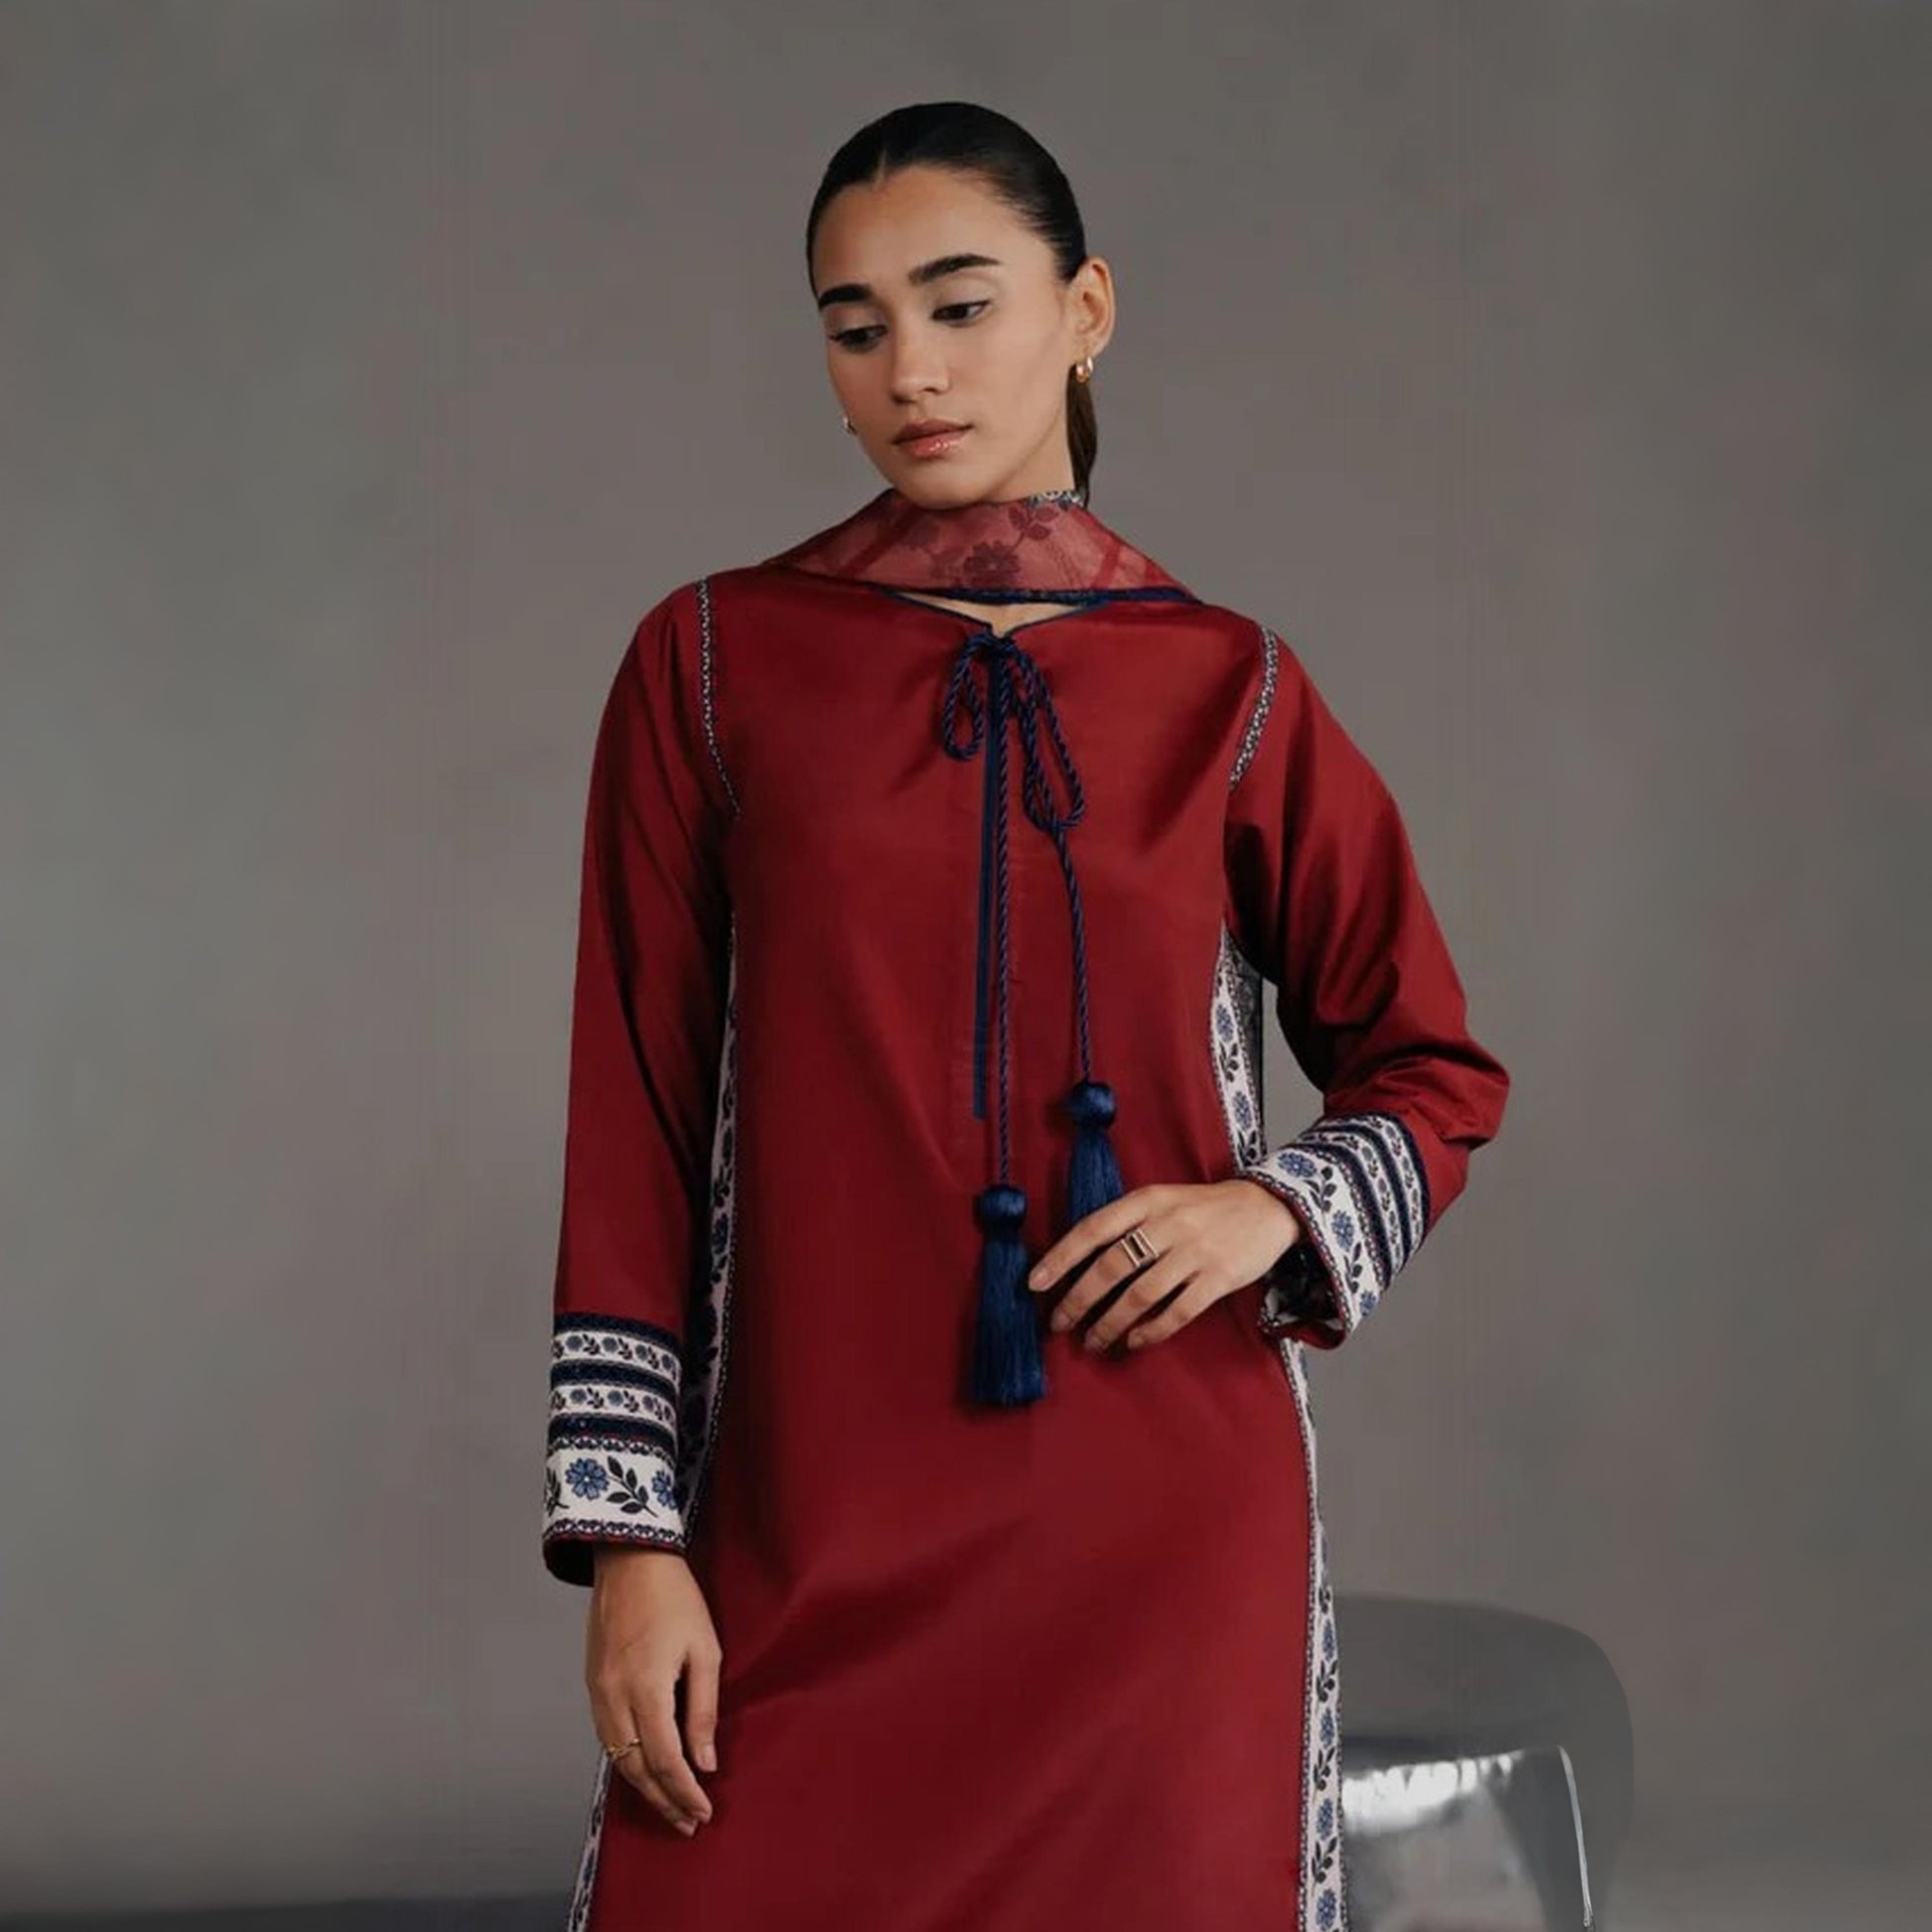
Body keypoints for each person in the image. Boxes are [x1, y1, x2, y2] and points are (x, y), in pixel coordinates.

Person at [541, 100, 1510, 1932]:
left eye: (959, 303)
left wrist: (1272, 1208)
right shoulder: (713, 662)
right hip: (807, 1519)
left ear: (1086, 311)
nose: (907, 368)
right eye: (854, 325)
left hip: (1156, 1532)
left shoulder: (1229, 685)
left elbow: (1431, 1065)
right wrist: (629, 1541)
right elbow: (638, 1116)